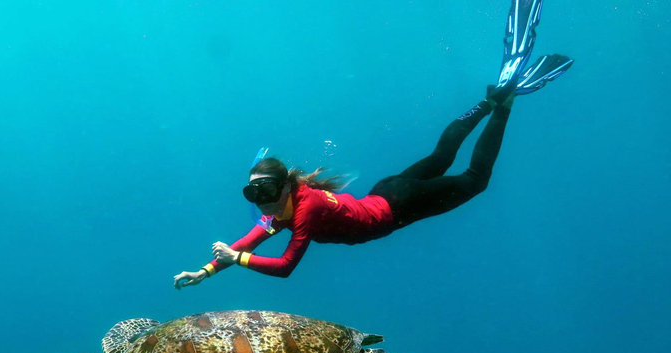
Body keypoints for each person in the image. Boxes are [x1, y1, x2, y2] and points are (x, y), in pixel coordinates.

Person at [174, 0, 573, 289]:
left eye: (263, 191)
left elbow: (284, 267)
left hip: (398, 204)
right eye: (252, 192)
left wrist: (237, 259)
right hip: (387, 194)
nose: (259, 200)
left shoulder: (305, 209)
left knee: (474, 178)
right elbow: (248, 240)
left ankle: (501, 105)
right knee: (440, 156)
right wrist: (206, 271)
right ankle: (488, 100)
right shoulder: (282, 209)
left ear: (282, 187)